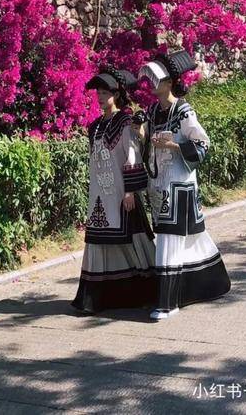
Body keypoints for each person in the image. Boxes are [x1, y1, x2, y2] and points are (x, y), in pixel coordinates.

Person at [137, 50, 231, 321]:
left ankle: (168, 302)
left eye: (157, 80)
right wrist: (141, 134)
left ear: (169, 82)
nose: (152, 86)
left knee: (170, 240)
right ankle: (208, 284)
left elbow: (203, 143)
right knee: (179, 240)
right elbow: (147, 144)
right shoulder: (153, 110)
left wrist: (175, 145)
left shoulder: (184, 111)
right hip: (159, 184)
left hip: (179, 186)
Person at [71, 67, 156, 314]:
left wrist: (130, 190)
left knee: (133, 239)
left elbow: (132, 154)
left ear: (116, 94)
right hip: (100, 192)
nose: (99, 96)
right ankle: (97, 298)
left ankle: (146, 290)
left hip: (121, 191)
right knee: (99, 238)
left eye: (105, 92)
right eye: (98, 91)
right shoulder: (95, 126)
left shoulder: (125, 121)